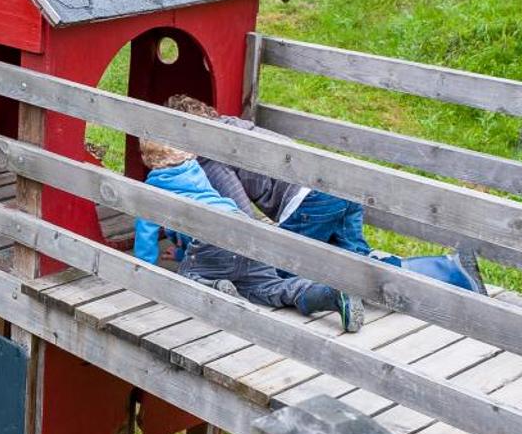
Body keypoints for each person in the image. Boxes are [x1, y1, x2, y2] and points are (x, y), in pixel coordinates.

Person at [161, 93, 486, 293]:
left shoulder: (210, 153)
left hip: (310, 201)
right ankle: (450, 271)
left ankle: (335, 296)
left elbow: (241, 220)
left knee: (272, 271)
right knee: (357, 265)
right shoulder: (236, 126)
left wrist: (196, 255)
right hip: (340, 184)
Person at [132, 138, 363, 333]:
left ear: (145, 158)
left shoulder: (152, 189)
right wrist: (184, 252)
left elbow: (146, 237)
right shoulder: (197, 172)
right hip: (244, 230)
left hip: (209, 236)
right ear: (188, 152)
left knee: (187, 275)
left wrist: (141, 271)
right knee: (267, 287)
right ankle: (328, 295)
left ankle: (215, 287)